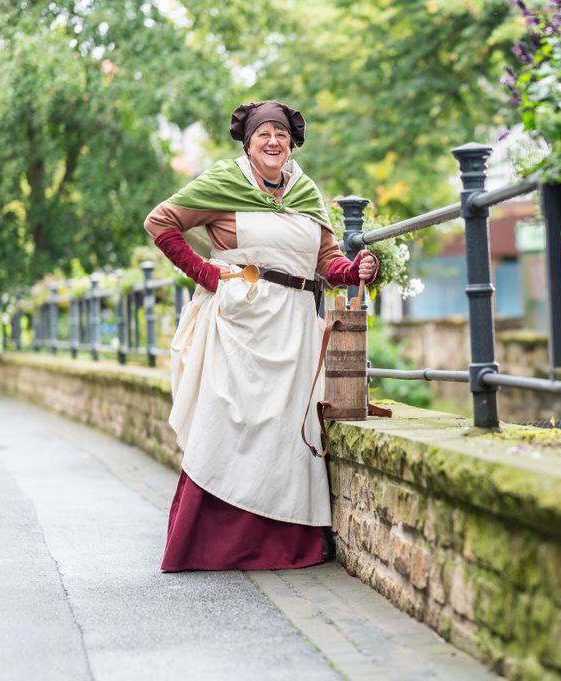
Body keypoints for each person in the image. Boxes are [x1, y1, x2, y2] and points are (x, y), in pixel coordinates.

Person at [144, 100, 377, 571]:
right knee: (231, 426)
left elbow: (325, 262)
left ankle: (286, 548)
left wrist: (355, 269)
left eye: (281, 135)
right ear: (248, 142)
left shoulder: (306, 191)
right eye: (262, 134)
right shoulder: (223, 182)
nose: (273, 141)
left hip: (294, 326)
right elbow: (160, 223)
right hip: (241, 322)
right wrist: (208, 274)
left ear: (291, 143)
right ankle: (213, 547)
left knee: (288, 434)